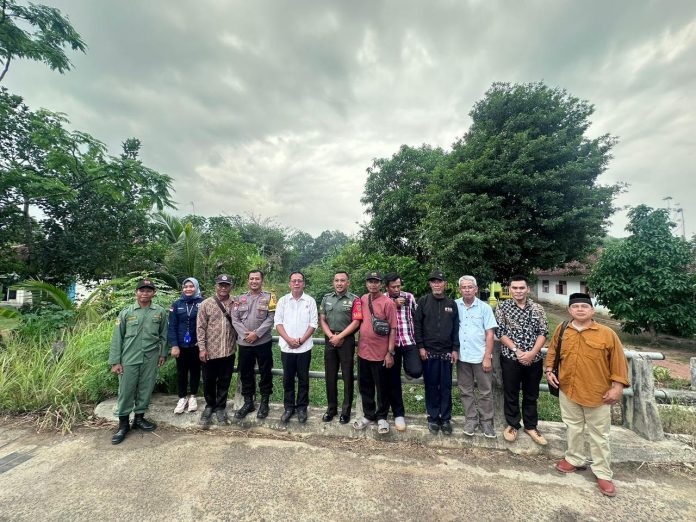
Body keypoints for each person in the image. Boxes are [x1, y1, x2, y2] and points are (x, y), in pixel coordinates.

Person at [546, 293, 629, 497]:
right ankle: (574, 458)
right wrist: (549, 370)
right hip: (568, 388)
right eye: (576, 307)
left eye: (584, 306)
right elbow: (553, 351)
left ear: (592, 310)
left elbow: (618, 362)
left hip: (597, 392)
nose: (580, 310)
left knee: (599, 435)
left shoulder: (606, 333)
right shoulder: (563, 329)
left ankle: (602, 472)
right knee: (572, 426)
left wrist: (617, 387)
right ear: (570, 310)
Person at [108, 278, 168, 445]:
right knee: (126, 390)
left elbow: (163, 335)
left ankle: (139, 419)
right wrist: (115, 361)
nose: (145, 293)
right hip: (129, 357)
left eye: (148, 290)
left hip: (150, 357)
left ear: (153, 293)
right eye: (142, 290)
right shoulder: (126, 312)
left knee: (145, 388)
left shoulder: (160, 312)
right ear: (136, 292)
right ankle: (123, 425)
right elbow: (117, 338)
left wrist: (163, 354)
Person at [495, 274, 549, 445]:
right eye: (515, 288)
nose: (518, 291)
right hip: (511, 357)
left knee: (531, 393)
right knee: (510, 392)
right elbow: (500, 332)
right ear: (510, 289)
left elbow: (543, 332)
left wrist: (532, 353)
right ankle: (513, 424)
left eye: (521, 288)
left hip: (534, 359)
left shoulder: (537, 308)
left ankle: (531, 426)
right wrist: (517, 351)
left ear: (528, 289)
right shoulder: (502, 307)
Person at [414, 269, 459, 435]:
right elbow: (417, 326)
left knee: (446, 386)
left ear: (445, 284)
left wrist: (455, 349)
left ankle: (445, 418)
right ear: (430, 284)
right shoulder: (423, 301)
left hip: (447, 353)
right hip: (429, 352)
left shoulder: (451, 304)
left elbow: (456, 329)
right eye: (434, 281)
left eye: (440, 281)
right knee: (431, 385)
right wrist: (421, 347)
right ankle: (433, 417)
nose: (437, 284)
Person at [352, 271, 397, 434]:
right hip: (364, 352)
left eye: (376, 282)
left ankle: (382, 417)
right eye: (370, 281)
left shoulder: (388, 303)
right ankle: (369, 414)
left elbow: (393, 329)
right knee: (365, 386)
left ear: (381, 284)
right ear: (366, 284)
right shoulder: (363, 299)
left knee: (382, 387)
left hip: (381, 353)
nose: (373, 284)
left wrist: (390, 353)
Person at [455, 275, 498, 438]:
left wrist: (487, 356)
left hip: (480, 356)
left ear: (476, 289)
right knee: (465, 390)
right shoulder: (455, 305)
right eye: (464, 287)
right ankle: (471, 420)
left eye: (470, 287)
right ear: (460, 289)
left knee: (485, 391)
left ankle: (487, 422)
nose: (467, 290)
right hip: (462, 357)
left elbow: (489, 333)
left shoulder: (484, 308)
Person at [319, 271, 362, 424]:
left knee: (347, 376)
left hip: (346, 340)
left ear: (348, 283)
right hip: (330, 339)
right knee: (329, 376)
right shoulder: (326, 298)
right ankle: (331, 409)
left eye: (342, 280)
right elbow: (322, 319)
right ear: (333, 282)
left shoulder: (355, 300)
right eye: (337, 280)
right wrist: (332, 336)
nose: (339, 283)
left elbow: (356, 322)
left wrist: (341, 336)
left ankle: (346, 411)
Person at [274, 271, 318, 424]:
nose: (297, 283)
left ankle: (301, 408)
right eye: (294, 281)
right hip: (287, 347)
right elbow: (278, 323)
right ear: (289, 284)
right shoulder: (283, 301)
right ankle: (288, 407)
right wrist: (289, 339)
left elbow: (313, 324)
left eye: (299, 281)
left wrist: (300, 340)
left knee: (303, 379)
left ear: (304, 283)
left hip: (304, 347)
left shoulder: (310, 301)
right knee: (287, 379)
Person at [232, 270, 276, 420]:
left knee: (265, 372)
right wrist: (246, 334)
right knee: (245, 373)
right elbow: (235, 319)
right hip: (244, 343)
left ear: (262, 281)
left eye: (257, 279)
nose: (254, 281)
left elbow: (271, 318)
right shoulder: (240, 298)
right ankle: (248, 402)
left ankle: (264, 402)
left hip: (262, 342)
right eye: (251, 279)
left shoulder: (270, 298)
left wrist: (256, 334)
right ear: (248, 281)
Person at [196, 274, 237, 425]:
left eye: (226, 285)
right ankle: (209, 405)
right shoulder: (206, 304)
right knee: (208, 380)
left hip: (228, 350)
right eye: (221, 285)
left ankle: (220, 407)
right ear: (216, 286)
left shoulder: (236, 303)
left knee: (225, 380)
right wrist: (201, 348)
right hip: (210, 351)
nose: (223, 288)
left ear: (230, 286)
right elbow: (200, 328)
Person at [383, 272, 422, 432]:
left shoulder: (409, 297)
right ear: (387, 287)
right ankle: (399, 413)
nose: (397, 289)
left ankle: (408, 370)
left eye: (399, 286)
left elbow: (417, 316)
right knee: (393, 381)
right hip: (391, 344)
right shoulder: (383, 299)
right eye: (394, 287)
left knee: (416, 370)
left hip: (408, 340)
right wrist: (393, 304)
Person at [168, 277, 204, 414]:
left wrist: (203, 345)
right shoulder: (177, 304)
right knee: (181, 372)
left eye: (191, 286)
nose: (188, 289)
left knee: (195, 370)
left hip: (196, 344)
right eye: (186, 287)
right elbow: (172, 326)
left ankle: (193, 396)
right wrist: (174, 345)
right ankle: (182, 398)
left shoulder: (203, 302)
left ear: (196, 287)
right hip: (181, 345)